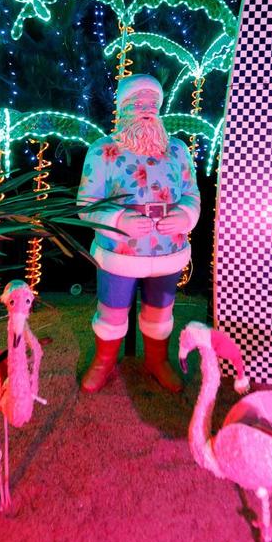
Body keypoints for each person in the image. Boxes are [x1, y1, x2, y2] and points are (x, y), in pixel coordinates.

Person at [76, 74, 200, 393]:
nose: (145, 110)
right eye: (136, 103)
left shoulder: (177, 150)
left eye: (151, 104)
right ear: (123, 107)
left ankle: (157, 361)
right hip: (120, 253)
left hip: (168, 251)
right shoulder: (103, 150)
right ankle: (103, 361)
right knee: (112, 311)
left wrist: (185, 215)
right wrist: (118, 220)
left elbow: (191, 192)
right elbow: (86, 203)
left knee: (161, 311)